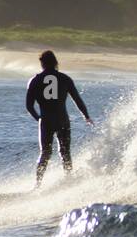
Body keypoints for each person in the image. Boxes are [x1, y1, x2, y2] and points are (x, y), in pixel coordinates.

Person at [26, 50, 93, 187]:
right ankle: (69, 181)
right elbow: (77, 100)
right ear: (56, 62)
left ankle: (38, 184)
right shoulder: (65, 79)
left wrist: (38, 118)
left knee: (45, 153)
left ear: (42, 64)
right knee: (65, 152)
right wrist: (86, 116)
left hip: (46, 121)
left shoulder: (35, 80)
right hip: (62, 119)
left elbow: (29, 106)